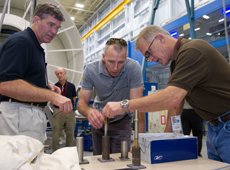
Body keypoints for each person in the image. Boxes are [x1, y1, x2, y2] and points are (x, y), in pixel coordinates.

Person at [102, 25, 230, 164]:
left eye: (148, 53)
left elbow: (172, 98)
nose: (150, 59)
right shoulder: (176, 63)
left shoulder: (192, 51)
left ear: (160, 38)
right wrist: (167, 135)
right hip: (215, 128)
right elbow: (178, 102)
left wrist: (125, 105)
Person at [0, 3, 73, 143]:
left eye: (57, 27)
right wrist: (52, 96)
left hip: (26, 117)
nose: (54, 31)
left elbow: (23, 78)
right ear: (36, 20)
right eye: (50, 25)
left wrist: (46, 86)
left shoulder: (35, 46)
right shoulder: (22, 42)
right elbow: (6, 85)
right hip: (18, 117)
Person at [77, 38, 145, 155]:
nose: (115, 68)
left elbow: (138, 107)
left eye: (120, 62)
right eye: (111, 61)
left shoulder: (133, 68)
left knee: (121, 161)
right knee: (99, 160)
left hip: (122, 121)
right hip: (99, 121)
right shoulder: (90, 70)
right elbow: (81, 103)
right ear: (103, 57)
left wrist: (140, 143)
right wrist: (89, 112)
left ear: (126, 58)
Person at [52, 68, 77, 152]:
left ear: (65, 73)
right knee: (56, 134)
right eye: (58, 74)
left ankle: (69, 154)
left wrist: (68, 107)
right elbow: (52, 101)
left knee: (70, 134)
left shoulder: (71, 86)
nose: (60, 75)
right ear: (56, 75)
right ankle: (54, 153)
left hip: (70, 112)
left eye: (61, 73)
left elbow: (74, 98)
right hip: (58, 112)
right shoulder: (54, 87)